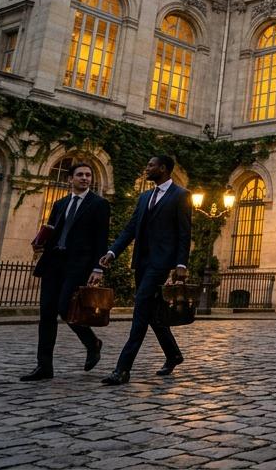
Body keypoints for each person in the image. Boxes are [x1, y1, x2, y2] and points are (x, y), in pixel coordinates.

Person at [97, 155, 193, 385]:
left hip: (161, 264)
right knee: (152, 313)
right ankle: (173, 354)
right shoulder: (144, 197)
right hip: (141, 262)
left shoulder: (181, 195)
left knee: (140, 310)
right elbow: (130, 229)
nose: (147, 168)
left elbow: (184, 233)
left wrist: (181, 264)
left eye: (151, 165)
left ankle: (123, 368)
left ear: (163, 168)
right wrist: (112, 252)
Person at [21, 161, 110, 381]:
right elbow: (52, 230)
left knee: (65, 308)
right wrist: (40, 242)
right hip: (54, 262)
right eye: (80, 174)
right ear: (70, 179)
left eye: (88, 175)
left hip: (78, 265)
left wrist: (98, 268)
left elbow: (101, 238)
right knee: (47, 313)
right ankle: (44, 367)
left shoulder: (99, 204)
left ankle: (92, 342)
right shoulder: (60, 204)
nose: (85, 178)